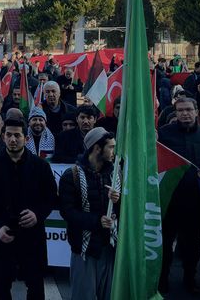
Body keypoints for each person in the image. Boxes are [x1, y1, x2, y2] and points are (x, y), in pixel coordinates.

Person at [0, 117, 58, 300]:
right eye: (9, 135)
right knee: (2, 286)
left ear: (25, 138)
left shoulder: (40, 165)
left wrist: (38, 214)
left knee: (35, 285)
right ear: (3, 137)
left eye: (17, 135)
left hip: (32, 234)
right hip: (2, 233)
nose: (13, 139)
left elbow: (51, 197)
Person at [59, 128, 119, 300]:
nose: (113, 152)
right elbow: (68, 212)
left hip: (109, 246)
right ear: (97, 148)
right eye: (110, 147)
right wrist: (97, 221)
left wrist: (118, 200)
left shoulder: (115, 174)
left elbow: (122, 211)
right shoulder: (72, 175)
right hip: (84, 248)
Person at [158, 97, 200, 294]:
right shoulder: (163, 134)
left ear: (196, 111)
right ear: (176, 112)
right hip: (169, 199)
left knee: (192, 245)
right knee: (165, 243)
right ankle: (162, 280)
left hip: (195, 201)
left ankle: (190, 279)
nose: (185, 113)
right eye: (180, 110)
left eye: (188, 109)